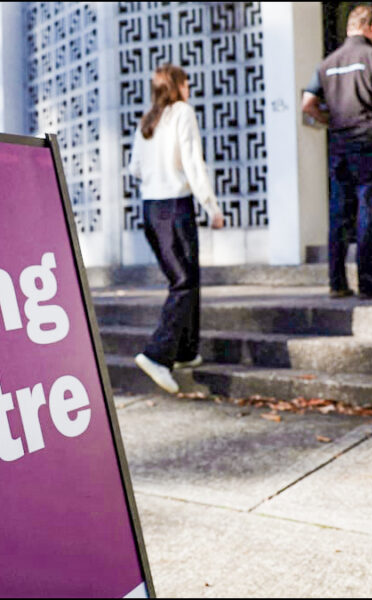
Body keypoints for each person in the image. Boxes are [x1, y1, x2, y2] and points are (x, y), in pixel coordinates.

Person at [127, 63, 224, 394]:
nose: (189, 89)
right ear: (177, 86)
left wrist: (158, 169)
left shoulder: (148, 120)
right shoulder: (183, 112)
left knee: (186, 277)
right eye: (186, 83)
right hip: (174, 206)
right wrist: (212, 206)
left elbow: (134, 168)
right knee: (184, 282)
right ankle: (157, 355)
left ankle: (186, 352)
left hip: (151, 209)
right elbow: (193, 162)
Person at [302, 4, 372, 299]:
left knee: (339, 216)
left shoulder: (328, 63)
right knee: (371, 214)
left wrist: (331, 120)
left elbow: (307, 104)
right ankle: (369, 281)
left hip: (340, 148)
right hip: (370, 145)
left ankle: (337, 282)